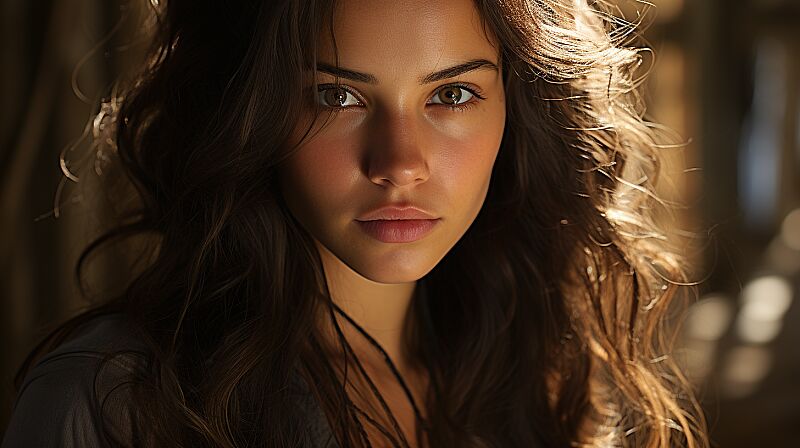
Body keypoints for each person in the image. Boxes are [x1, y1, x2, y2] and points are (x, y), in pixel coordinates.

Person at [2, 0, 709, 446]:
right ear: (253, 111)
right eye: (336, 95)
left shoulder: (526, 371)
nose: (399, 163)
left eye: (452, 93)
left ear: (517, 112)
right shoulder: (117, 401)